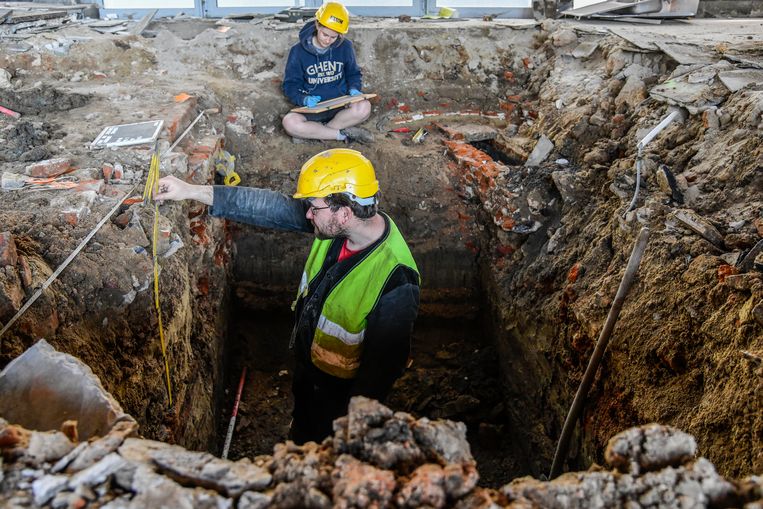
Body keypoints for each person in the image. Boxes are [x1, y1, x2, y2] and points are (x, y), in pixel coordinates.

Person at [155, 148, 419, 443]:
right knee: (302, 434)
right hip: (309, 376)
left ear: (345, 212)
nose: (307, 215)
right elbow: (269, 207)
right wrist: (190, 190)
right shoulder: (337, 225)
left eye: (313, 208)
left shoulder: (396, 279)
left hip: (340, 399)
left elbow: (380, 374)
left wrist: (350, 435)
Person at [281, 2, 375, 144]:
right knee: (289, 122)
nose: (328, 40)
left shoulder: (345, 46)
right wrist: (304, 99)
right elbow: (290, 85)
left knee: (364, 107)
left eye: (333, 37)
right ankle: (340, 135)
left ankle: (318, 133)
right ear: (317, 25)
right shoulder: (298, 51)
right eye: (325, 34)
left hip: (340, 107)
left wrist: (354, 89)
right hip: (313, 110)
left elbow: (353, 74)